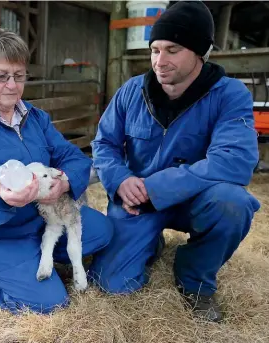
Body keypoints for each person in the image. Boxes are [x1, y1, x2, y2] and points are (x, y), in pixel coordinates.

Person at [89, 1, 261, 323]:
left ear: (199, 52)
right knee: (112, 283)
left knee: (233, 203)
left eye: (172, 49)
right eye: (155, 50)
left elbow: (234, 161)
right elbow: (104, 144)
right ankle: (148, 242)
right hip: (135, 199)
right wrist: (119, 180)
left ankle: (195, 278)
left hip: (192, 199)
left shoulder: (229, 95)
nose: (159, 60)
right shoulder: (131, 92)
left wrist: (156, 188)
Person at [0, 27, 113, 314]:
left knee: (102, 230)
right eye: (1, 76)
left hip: (38, 220)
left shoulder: (36, 118)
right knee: (50, 303)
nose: (12, 86)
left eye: (19, 76)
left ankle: (30, 260)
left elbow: (74, 159)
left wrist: (64, 183)